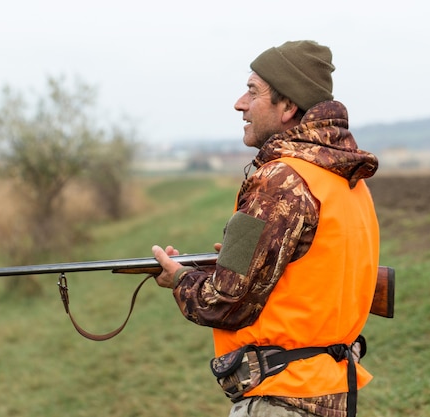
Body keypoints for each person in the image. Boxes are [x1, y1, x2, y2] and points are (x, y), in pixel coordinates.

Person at [152, 40, 380, 417]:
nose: (239, 103)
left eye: (253, 91)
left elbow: (225, 301)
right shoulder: (346, 180)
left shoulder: (280, 179)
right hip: (330, 393)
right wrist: (226, 265)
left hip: (281, 399)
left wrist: (179, 279)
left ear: (288, 106)